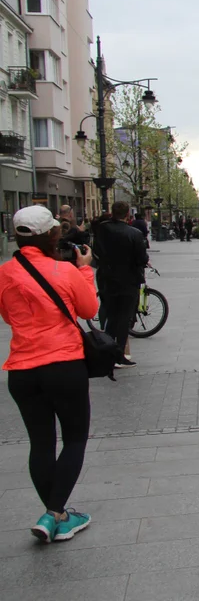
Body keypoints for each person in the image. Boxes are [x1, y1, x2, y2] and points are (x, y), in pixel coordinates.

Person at [0, 206, 97, 543]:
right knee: (74, 439)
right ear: (54, 235)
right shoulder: (64, 271)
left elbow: (10, 319)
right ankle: (56, 514)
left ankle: (56, 515)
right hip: (63, 365)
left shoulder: (4, 274)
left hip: (22, 371)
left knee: (40, 443)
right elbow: (89, 310)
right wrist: (84, 271)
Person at [93, 201, 147, 369]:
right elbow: (141, 259)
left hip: (107, 278)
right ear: (127, 215)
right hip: (128, 280)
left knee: (111, 315)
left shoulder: (102, 230)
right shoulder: (135, 234)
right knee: (124, 318)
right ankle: (119, 355)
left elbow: (96, 251)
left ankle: (106, 352)